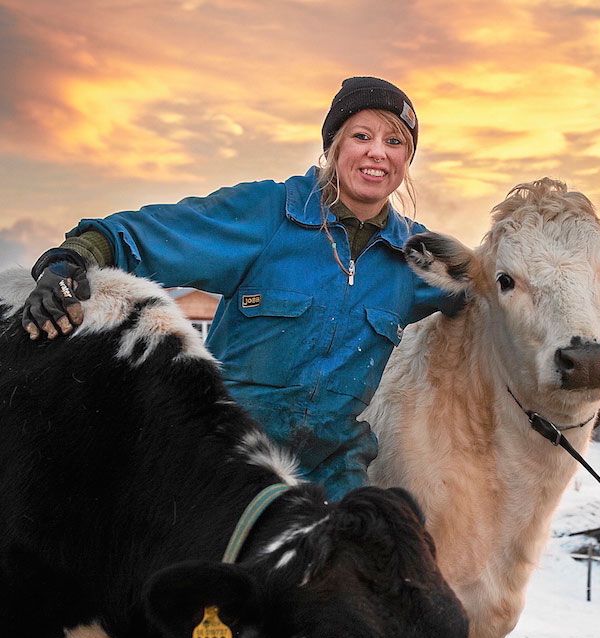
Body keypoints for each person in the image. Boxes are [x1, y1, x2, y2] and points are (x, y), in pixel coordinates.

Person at [21, 76, 461, 498]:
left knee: (382, 560)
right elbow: (153, 234)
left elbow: (498, 295)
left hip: (332, 477)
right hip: (229, 461)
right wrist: (72, 259)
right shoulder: (267, 214)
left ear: (407, 160)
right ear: (333, 146)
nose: (377, 153)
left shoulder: (415, 259)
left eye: (395, 141)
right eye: (361, 136)